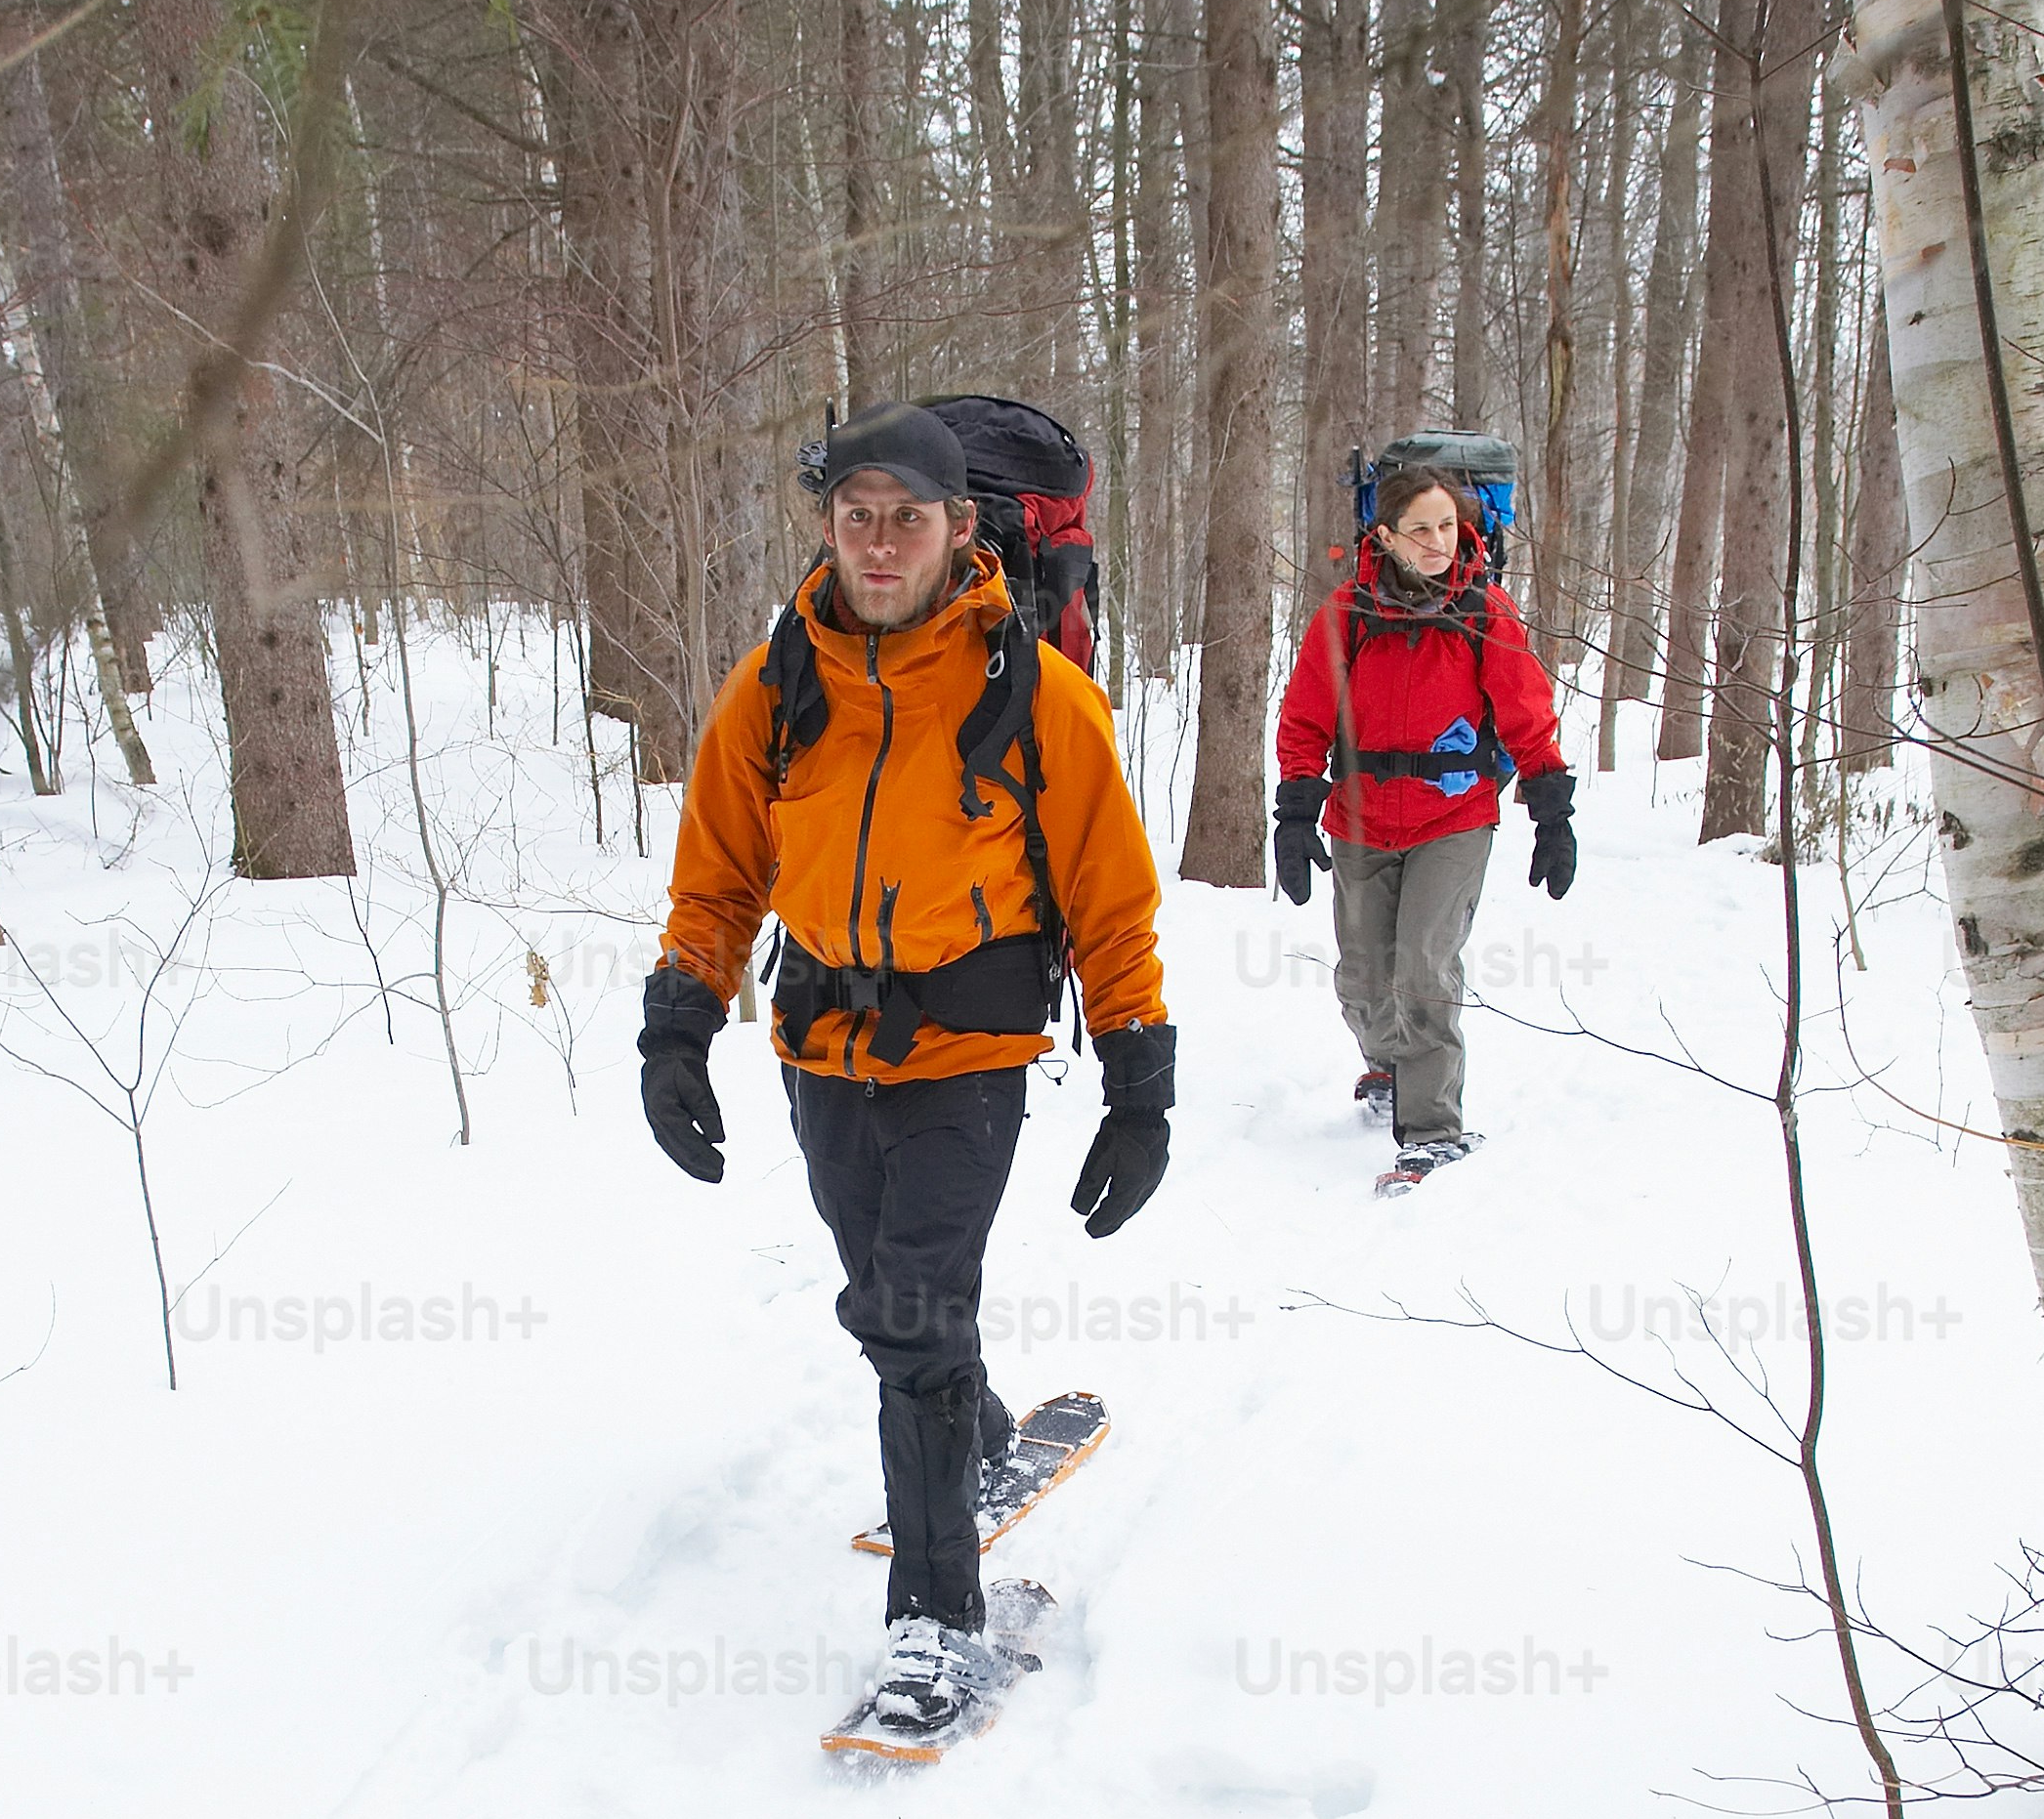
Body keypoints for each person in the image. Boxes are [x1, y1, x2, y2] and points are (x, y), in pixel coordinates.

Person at [638, 404, 1175, 1745]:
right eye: (856, 516)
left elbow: (1112, 903)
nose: (880, 545)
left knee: (910, 1316)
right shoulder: (777, 684)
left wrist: (1138, 1083)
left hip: (972, 1050)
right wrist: (676, 1027)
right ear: (829, 526)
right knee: (887, 1292)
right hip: (821, 1045)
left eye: (909, 518)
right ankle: (974, 1432)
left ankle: (937, 1623)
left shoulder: (1037, 695)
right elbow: (717, 871)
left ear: (959, 530)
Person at [1270, 462, 1575, 1165]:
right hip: (1358, 818)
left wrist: (1551, 810)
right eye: (1420, 528)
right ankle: (1387, 1059)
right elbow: (1305, 717)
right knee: (1362, 976)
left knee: (1423, 967)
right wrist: (1294, 809)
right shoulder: (1346, 614)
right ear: (1385, 535)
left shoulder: (1482, 610)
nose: (1437, 540)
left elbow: (1527, 715)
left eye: (1447, 525)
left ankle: (1432, 1129)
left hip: (1453, 818)